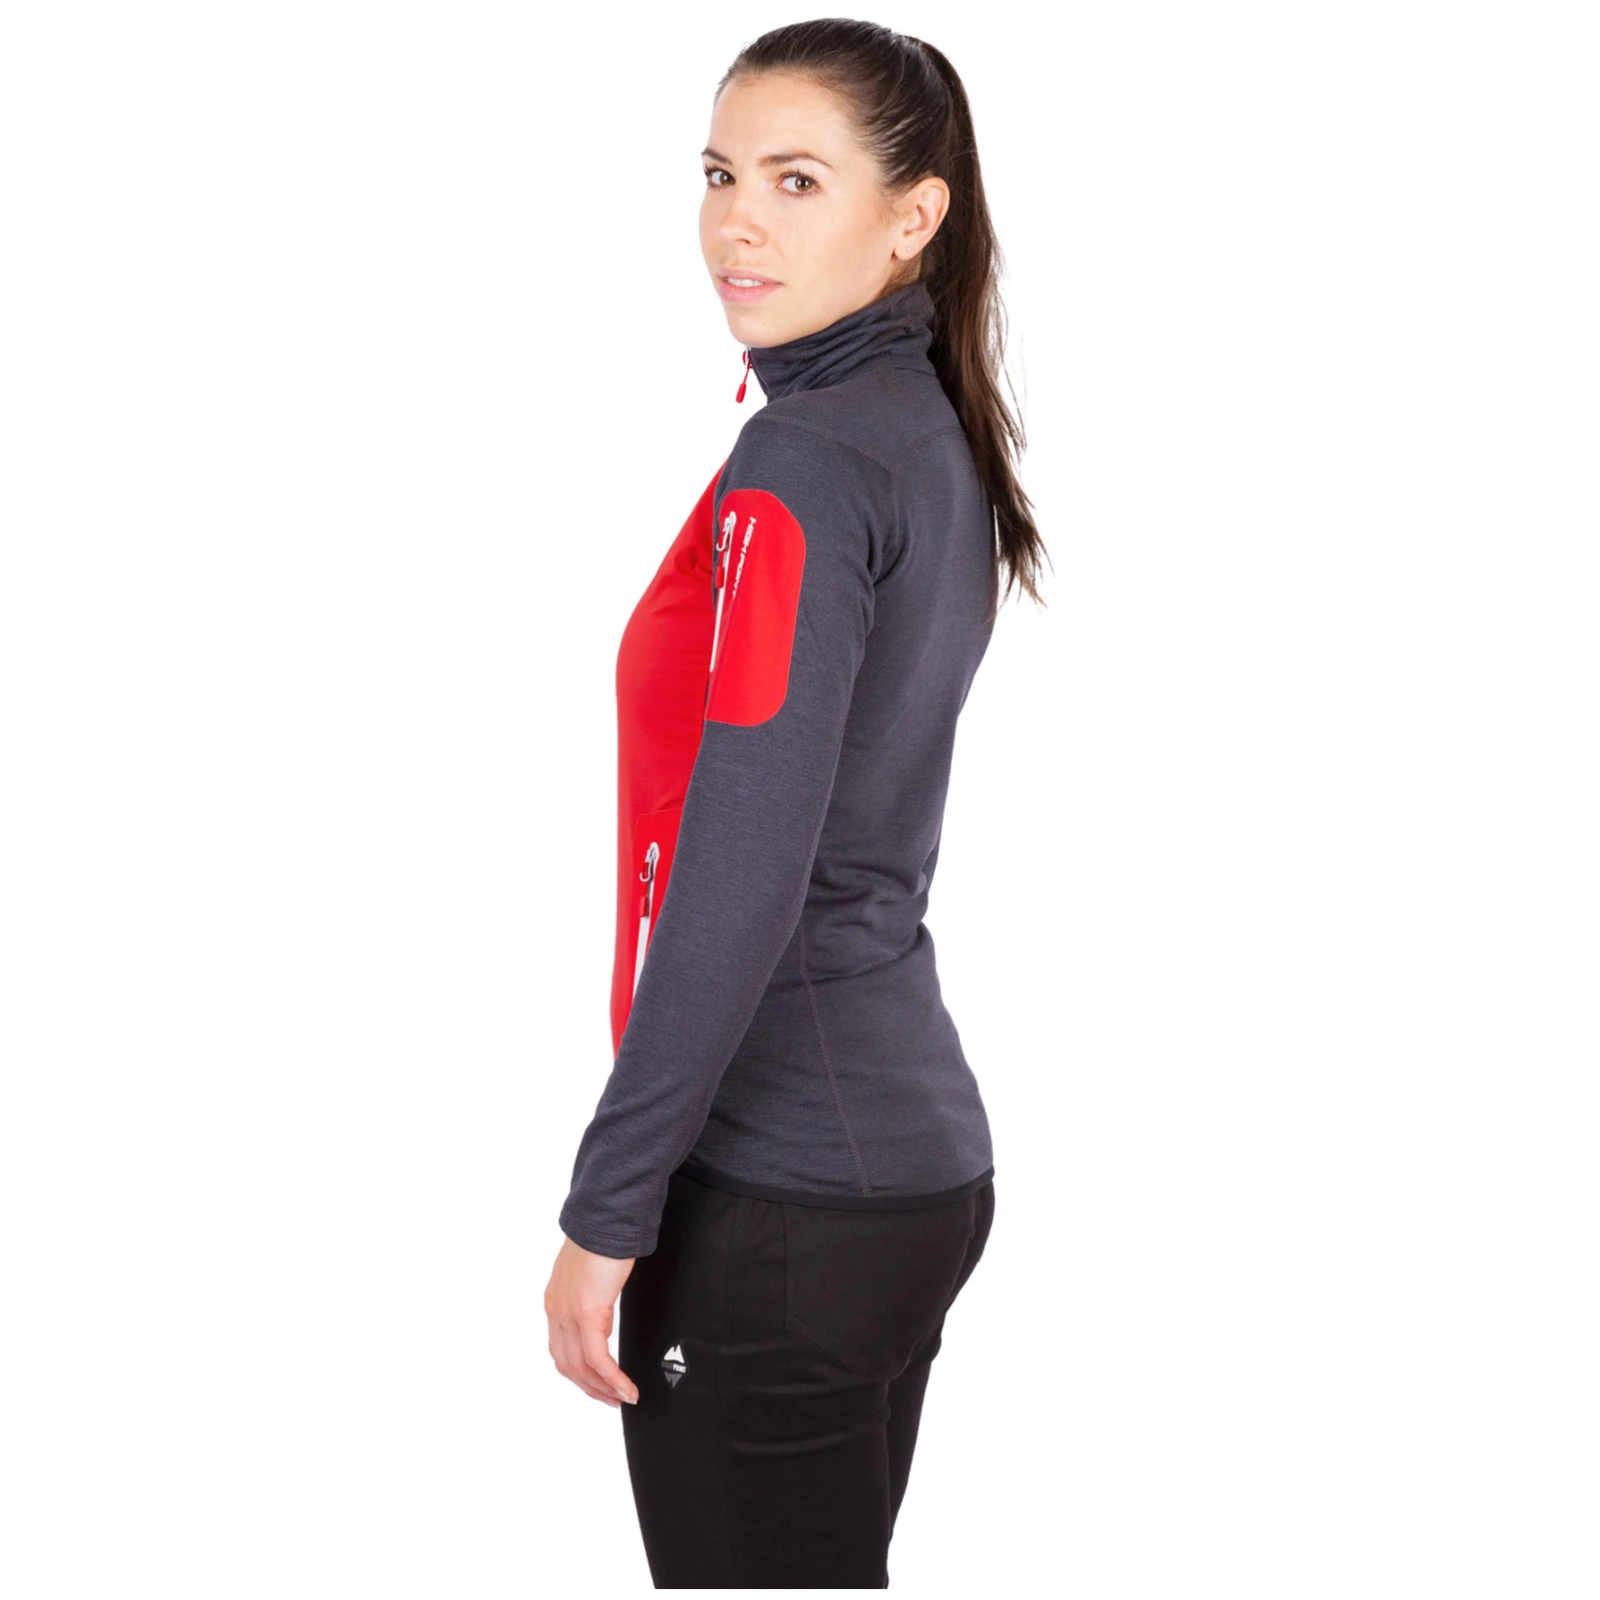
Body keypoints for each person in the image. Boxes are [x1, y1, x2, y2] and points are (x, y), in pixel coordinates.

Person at [544, 19, 1047, 1588]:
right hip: (902, 1173)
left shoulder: (808, 467)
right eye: (718, 175)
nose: (736, 222)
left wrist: (607, 1207)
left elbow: (741, 875)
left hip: (781, 1198)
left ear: (914, 217)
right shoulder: (921, 438)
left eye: (796, 180)